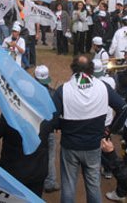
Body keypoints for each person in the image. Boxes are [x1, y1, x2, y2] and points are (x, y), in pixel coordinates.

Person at [52, 55, 120, 203]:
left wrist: (62, 125)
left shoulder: (63, 90)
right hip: (93, 146)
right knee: (93, 186)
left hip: (70, 145)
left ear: (73, 68)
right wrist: (110, 130)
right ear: (91, 68)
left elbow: (52, 119)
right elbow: (123, 109)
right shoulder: (103, 86)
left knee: (68, 186)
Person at [34, 65, 61, 193]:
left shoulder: (29, 92)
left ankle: (35, 179)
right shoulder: (53, 94)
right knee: (50, 156)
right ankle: (50, 181)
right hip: (48, 130)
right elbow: (57, 114)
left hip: (33, 129)